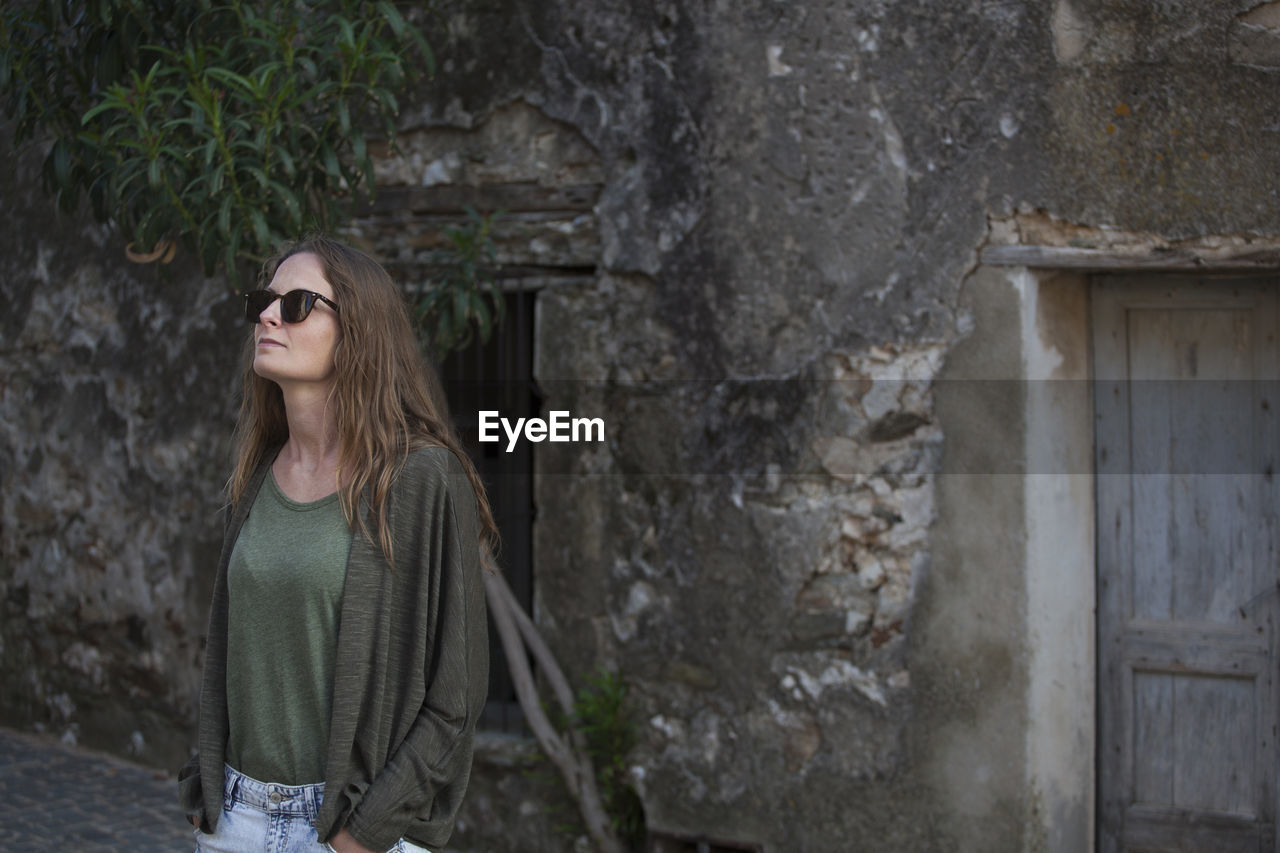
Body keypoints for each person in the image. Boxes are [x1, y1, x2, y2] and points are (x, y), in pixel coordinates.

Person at [178, 236, 495, 853]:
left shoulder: (421, 478)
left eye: (297, 304)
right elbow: (231, 649)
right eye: (263, 301)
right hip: (235, 820)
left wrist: (360, 835)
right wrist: (203, 785)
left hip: (351, 827)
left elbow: (456, 697)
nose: (268, 316)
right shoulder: (254, 474)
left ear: (358, 331)